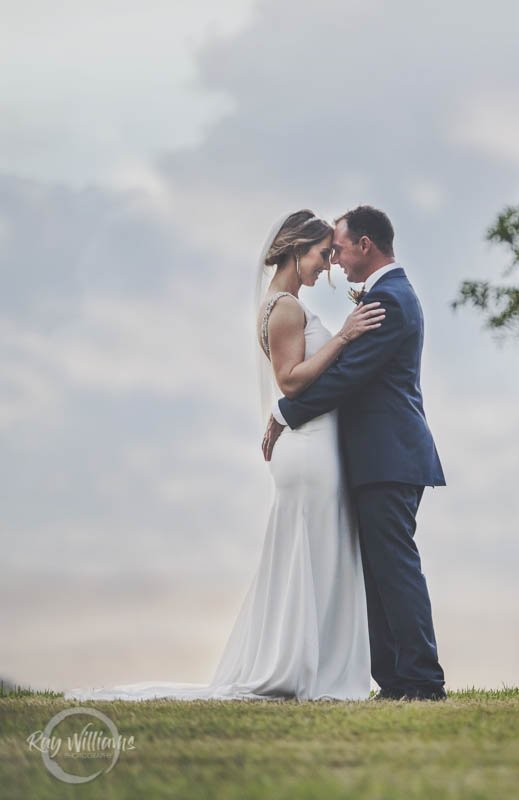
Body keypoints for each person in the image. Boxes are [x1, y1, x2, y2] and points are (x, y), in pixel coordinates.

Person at [65, 210, 383, 701]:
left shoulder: (281, 304)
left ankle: (317, 665)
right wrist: (343, 337)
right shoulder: (286, 309)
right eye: (321, 255)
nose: (326, 265)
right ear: (297, 250)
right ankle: (306, 669)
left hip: (313, 447)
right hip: (311, 450)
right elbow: (291, 381)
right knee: (313, 552)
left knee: (317, 554)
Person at [262, 204, 448, 702]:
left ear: (365, 245)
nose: (335, 262)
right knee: (380, 569)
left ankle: (423, 681)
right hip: (379, 456)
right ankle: (394, 681)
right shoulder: (387, 295)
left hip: (390, 456)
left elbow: (347, 377)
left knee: (395, 567)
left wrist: (285, 413)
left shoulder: (389, 300)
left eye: (339, 249)